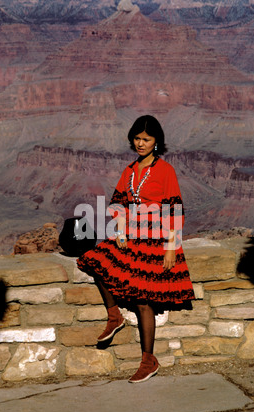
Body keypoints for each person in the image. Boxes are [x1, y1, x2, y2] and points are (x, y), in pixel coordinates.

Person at [77, 115, 195, 383]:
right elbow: (118, 202)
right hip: (129, 235)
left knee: (143, 299)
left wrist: (170, 247)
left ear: (157, 142)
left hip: (156, 238)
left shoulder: (165, 171)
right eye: (137, 138)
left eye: (147, 139)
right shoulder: (129, 170)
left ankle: (148, 360)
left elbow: (175, 209)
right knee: (94, 260)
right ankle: (114, 315)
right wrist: (119, 228)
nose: (140, 143)